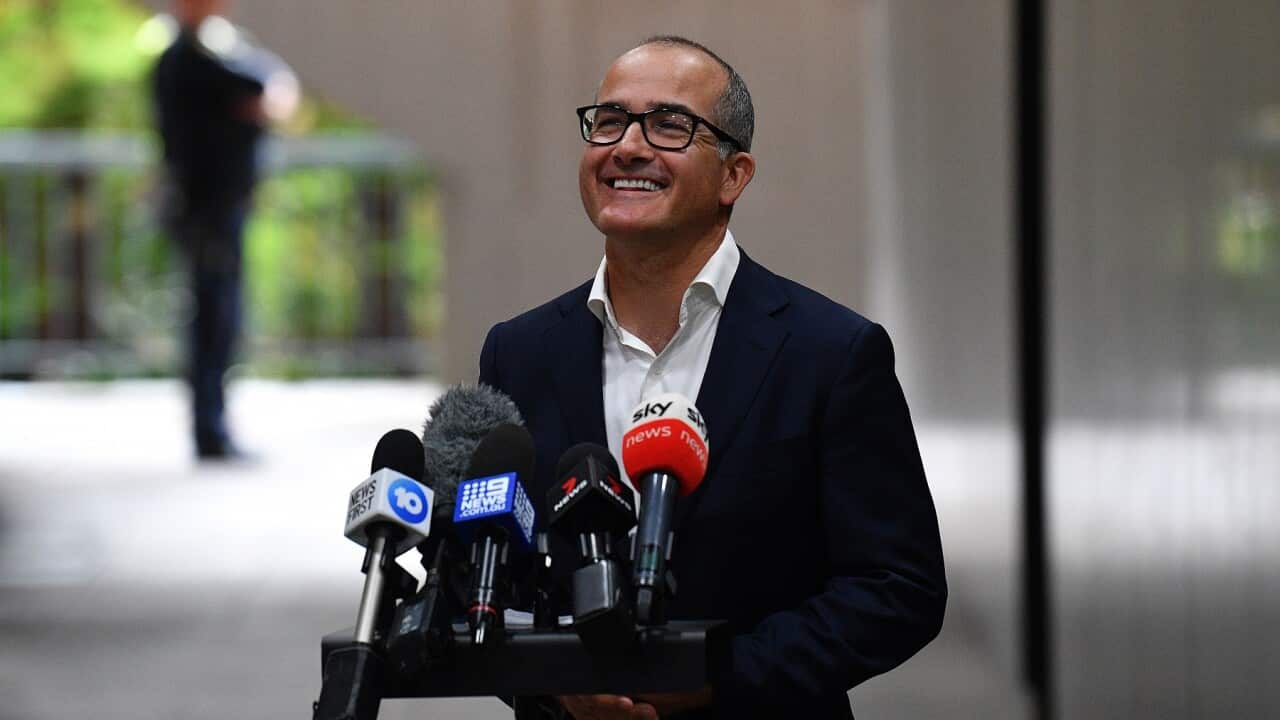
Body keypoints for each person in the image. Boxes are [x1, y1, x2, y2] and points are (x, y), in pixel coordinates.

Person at [479, 36, 946, 719]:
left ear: (735, 175)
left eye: (669, 125)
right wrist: (556, 684)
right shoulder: (518, 353)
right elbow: (492, 579)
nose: (628, 147)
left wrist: (715, 679)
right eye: (609, 120)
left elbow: (898, 588)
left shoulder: (832, 353)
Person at [152, 0, 296, 460]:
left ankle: (213, 426)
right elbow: (262, 88)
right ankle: (209, 429)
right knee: (213, 321)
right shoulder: (186, 60)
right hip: (206, 211)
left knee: (221, 319)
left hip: (219, 209)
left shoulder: (209, 54)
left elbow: (269, 91)